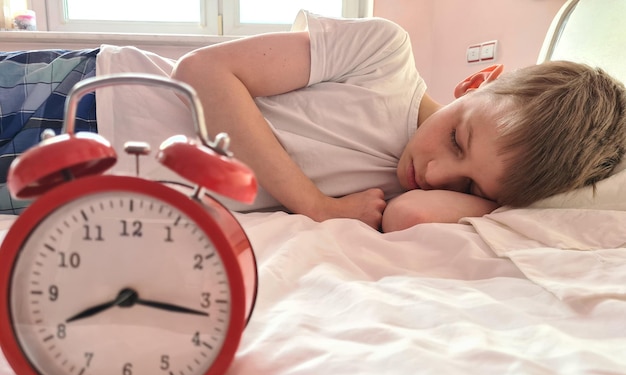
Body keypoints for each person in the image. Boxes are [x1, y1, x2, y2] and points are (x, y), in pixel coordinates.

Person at [171, 10, 626, 232]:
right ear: (476, 82)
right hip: (109, 96)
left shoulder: (411, 194)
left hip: (128, 183)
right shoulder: (383, 56)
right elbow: (201, 72)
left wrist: (498, 203)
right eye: (456, 140)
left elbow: (409, 217)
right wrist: (317, 205)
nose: (434, 176)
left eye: (469, 188)